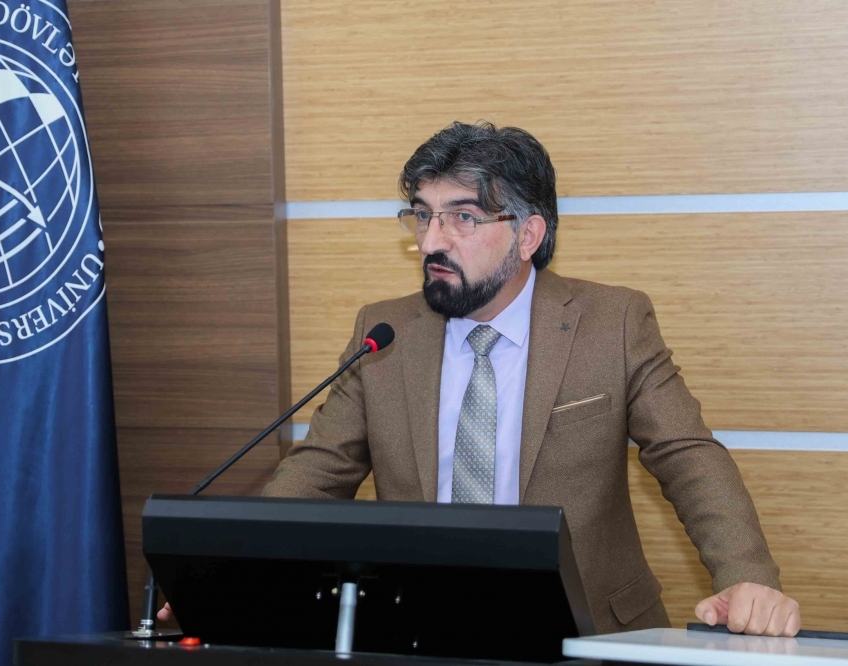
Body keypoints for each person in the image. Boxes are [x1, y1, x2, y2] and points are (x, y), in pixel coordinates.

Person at [163, 121, 800, 637]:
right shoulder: (384, 334)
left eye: (462, 218)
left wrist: (748, 577)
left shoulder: (613, 322)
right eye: (422, 215)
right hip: (421, 629)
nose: (431, 242)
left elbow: (688, 457)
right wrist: (232, 574)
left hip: (587, 631)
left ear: (528, 235)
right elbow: (316, 473)